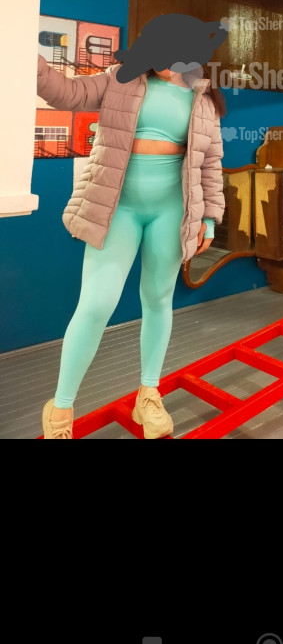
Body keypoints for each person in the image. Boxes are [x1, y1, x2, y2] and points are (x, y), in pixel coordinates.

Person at [38, 48, 226, 440]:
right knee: (96, 303)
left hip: (170, 209)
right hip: (116, 207)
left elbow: (210, 162)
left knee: (158, 299)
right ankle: (60, 407)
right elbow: (65, 93)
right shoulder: (120, 78)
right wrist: (24, 55)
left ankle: (148, 394)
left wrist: (208, 218)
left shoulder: (203, 97)